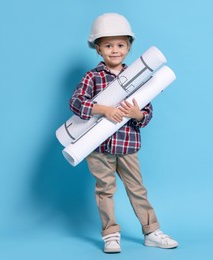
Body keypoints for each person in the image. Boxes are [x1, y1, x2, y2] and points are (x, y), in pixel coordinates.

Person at [69, 13, 178, 253]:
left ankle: (151, 232)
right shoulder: (93, 77)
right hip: (97, 149)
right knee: (105, 190)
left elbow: (146, 114)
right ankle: (111, 234)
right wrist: (104, 109)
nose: (115, 50)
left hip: (128, 146)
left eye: (120, 45)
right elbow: (76, 103)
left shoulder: (140, 77)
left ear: (128, 47)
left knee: (137, 189)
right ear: (98, 49)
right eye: (108, 45)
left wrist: (136, 114)